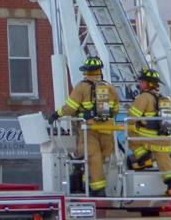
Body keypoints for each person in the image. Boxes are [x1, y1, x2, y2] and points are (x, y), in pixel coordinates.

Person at [49, 56, 121, 196]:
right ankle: (90, 183)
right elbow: (116, 110)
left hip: (89, 130)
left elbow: (70, 108)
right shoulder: (110, 88)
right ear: (100, 71)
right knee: (103, 160)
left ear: (86, 72)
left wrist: (56, 114)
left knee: (92, 158)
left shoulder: (82, 87)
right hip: (108, 130)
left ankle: (97, 190)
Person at [127, 68, 171, 194]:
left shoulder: (144, 97)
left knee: (130, 131)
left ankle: (144, 157)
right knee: (165, 163)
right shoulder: (164, 99)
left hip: (149, 139)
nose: (140, 84)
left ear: (148, 83)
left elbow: (131, 118)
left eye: (142, 81)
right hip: (165, 141)